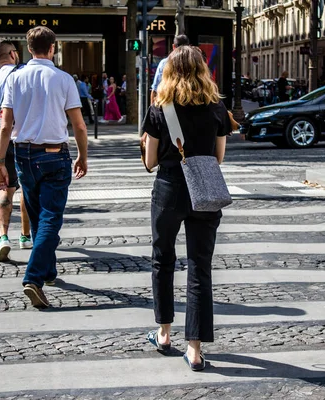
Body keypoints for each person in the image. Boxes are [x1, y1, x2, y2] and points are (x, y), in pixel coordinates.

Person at [142, 45, 231, 372]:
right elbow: (218, 158)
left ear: (169, 70)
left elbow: (150, 161)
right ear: (202, 70)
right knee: (200, 267)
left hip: (168, 188)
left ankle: (164, 334)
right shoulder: (216, 108)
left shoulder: (159, 109)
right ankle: (194, 350)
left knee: (162, 258)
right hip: (203, 190)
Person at [0, 26, 88, 308]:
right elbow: (79, 125)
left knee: (36, 217)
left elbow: (6, 125)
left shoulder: (16, 78)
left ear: (28, 48)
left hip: (23, 155)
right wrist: (83, 155)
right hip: (55, 155)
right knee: (50, 219)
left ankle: (48, 271)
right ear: (53, 47)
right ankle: (33, 277)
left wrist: (0, 161)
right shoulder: (63, 79)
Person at [0, 38, 33, 262]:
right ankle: (25, 235)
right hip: (22, 138)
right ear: (12, 54)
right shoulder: (23, 76)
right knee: (27, 189)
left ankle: (2, 238)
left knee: (5, 188)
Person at [150, 34, 190, 104]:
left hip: (168, 105)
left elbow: (155, 89)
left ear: (173, 46)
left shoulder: (164, 63)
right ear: (189, 46)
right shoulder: (195, 62)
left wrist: (153, 110)